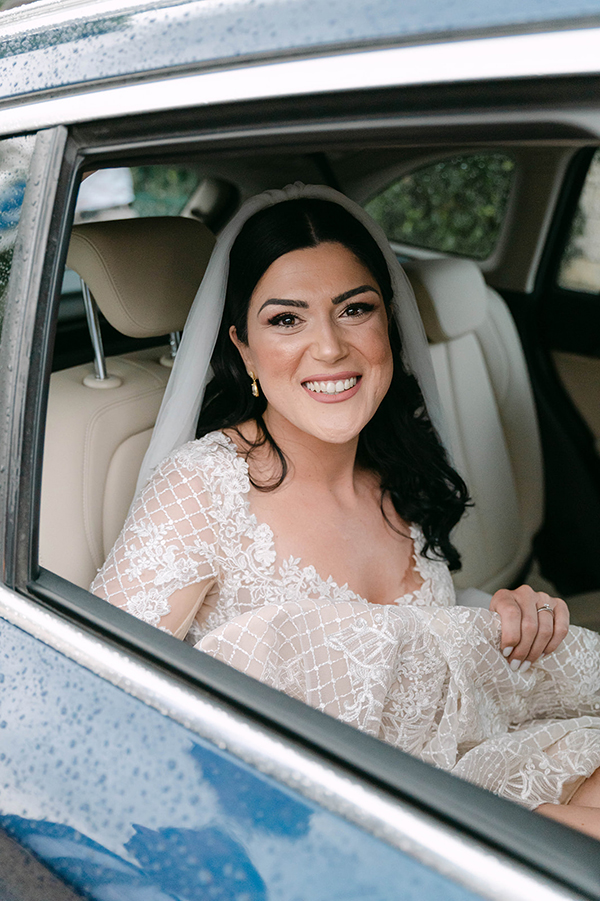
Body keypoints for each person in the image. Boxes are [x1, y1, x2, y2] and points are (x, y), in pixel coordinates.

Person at [92, 183, 600, 838]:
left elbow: (419, 644)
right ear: (243, 347)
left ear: (389, 322)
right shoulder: (202, 487)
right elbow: (97, 695)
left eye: (354, 309)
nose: (330, 347)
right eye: (286, 320)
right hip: (315, 820)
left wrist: (506, 612)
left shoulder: (402, 470)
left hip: (456, 765)